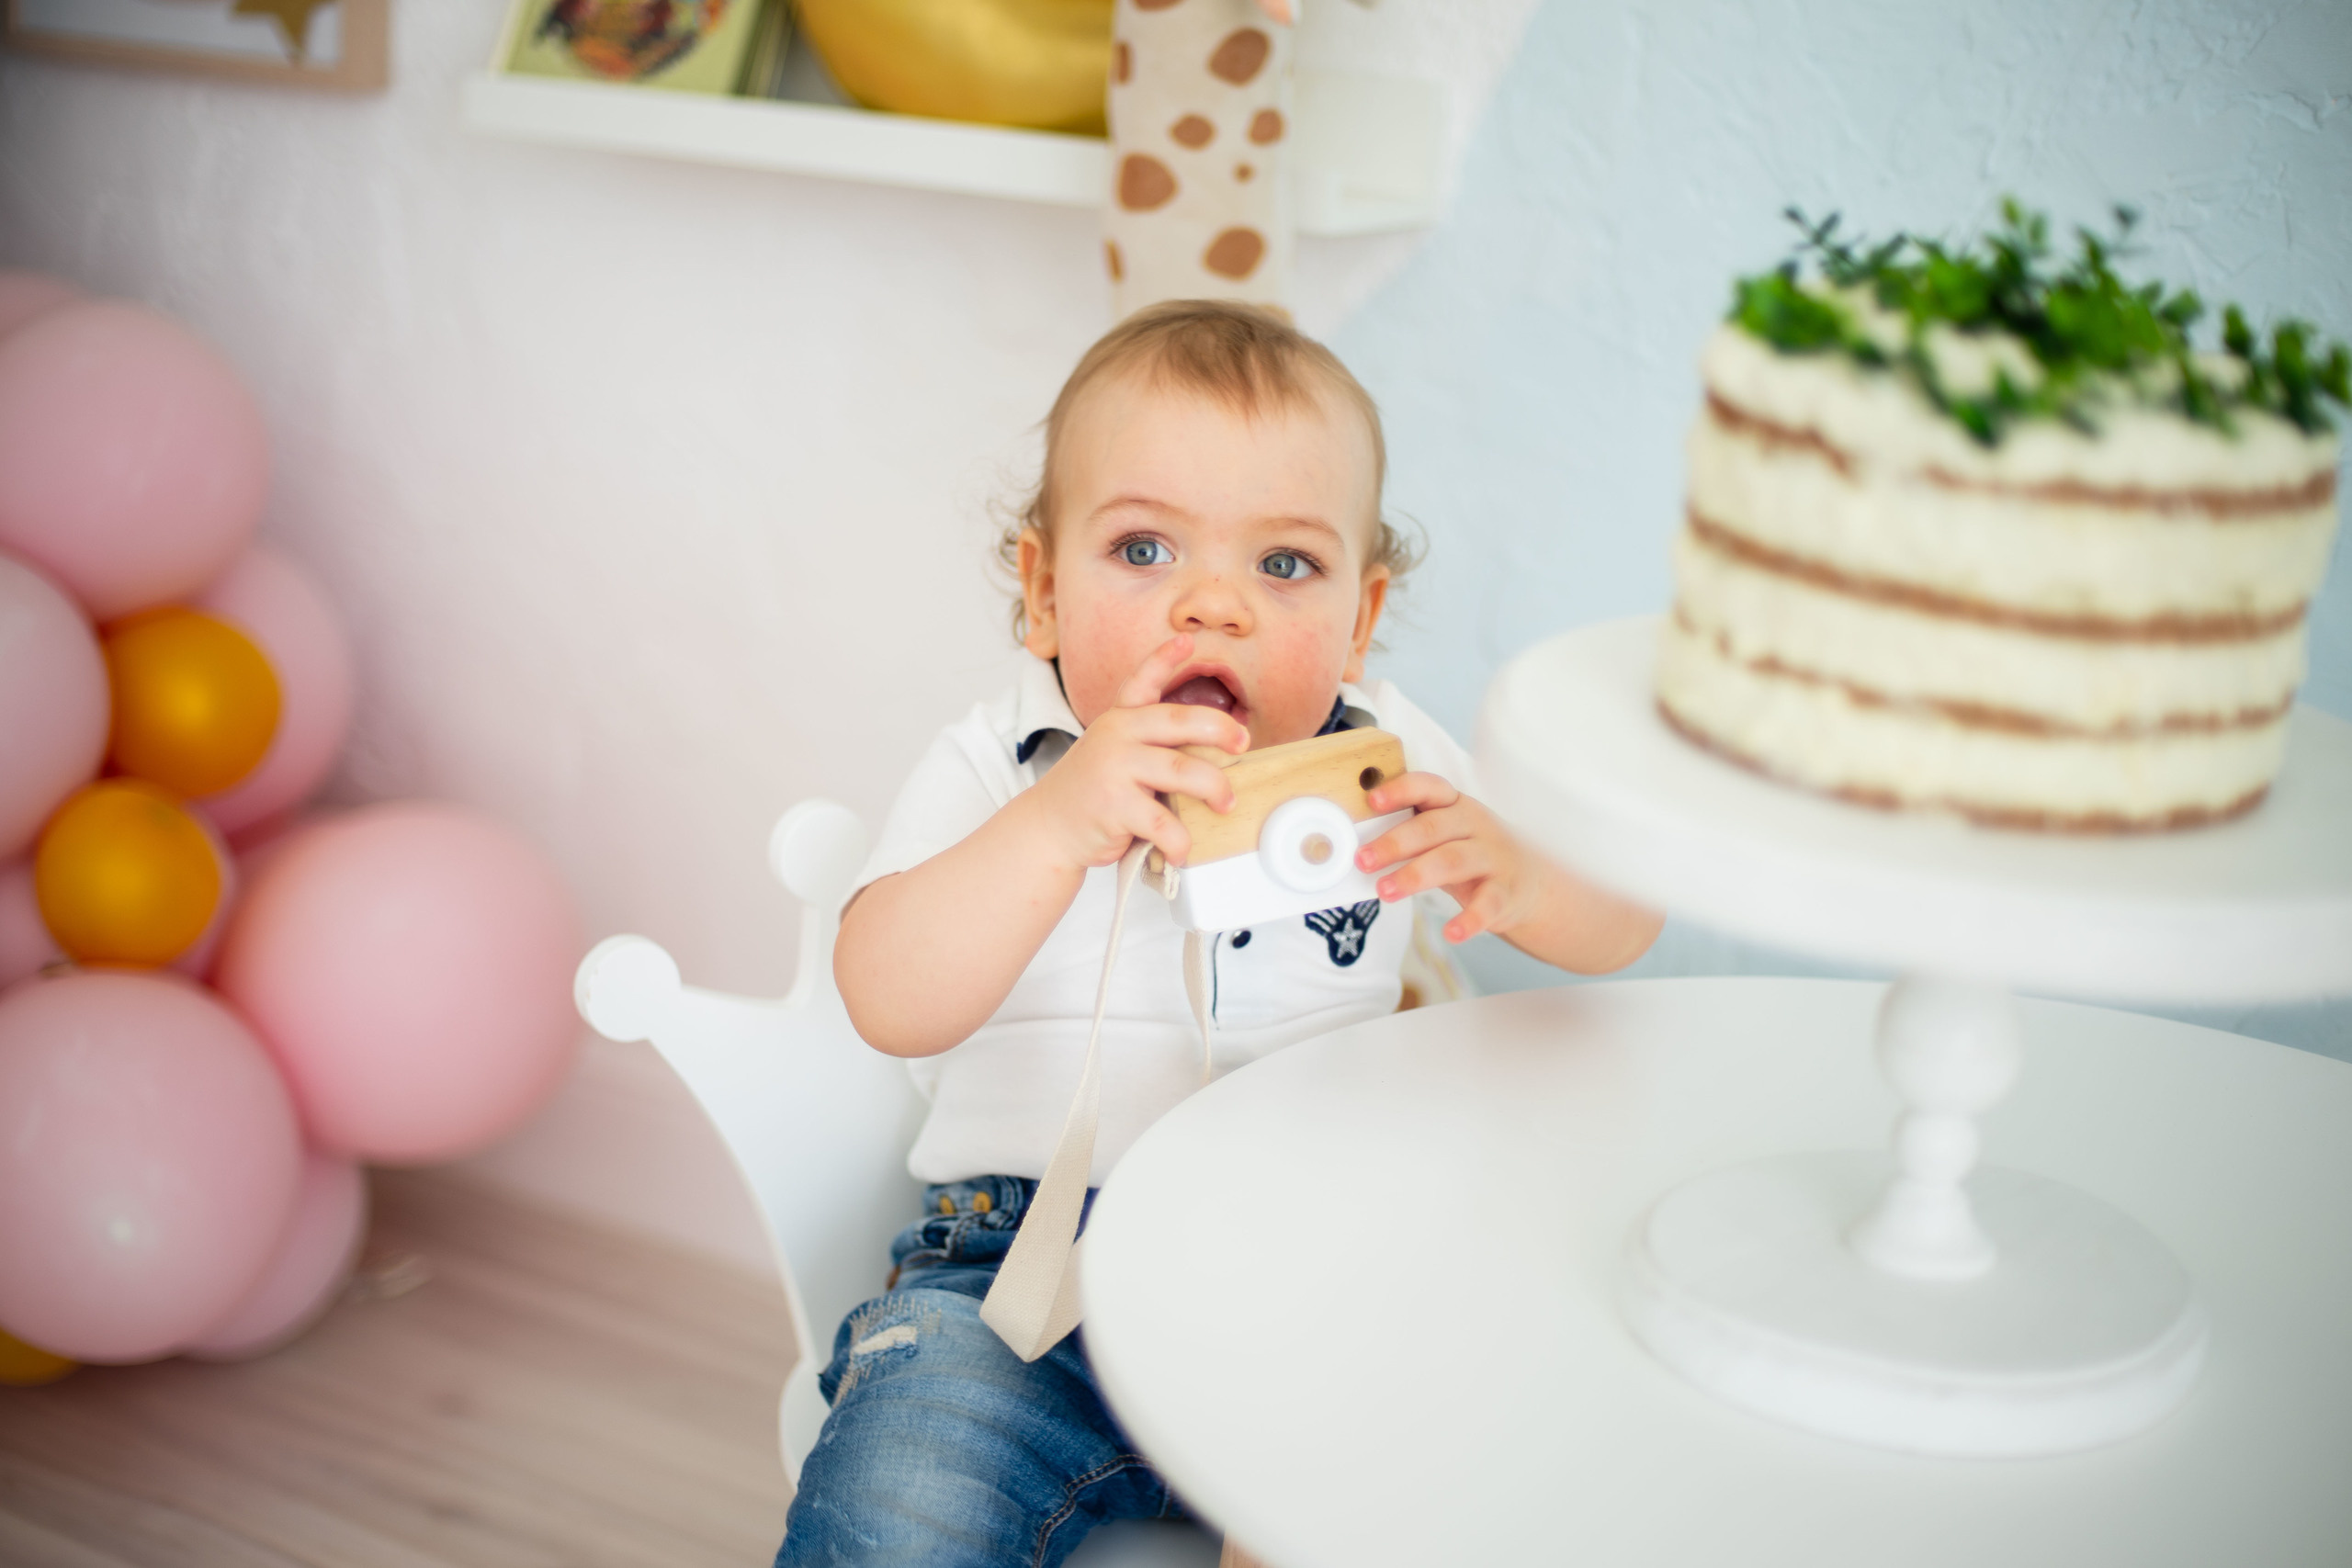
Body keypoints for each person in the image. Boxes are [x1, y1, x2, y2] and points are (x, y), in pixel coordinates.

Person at [779, 302, 1660, 1567]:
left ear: (1359, 620)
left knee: (1460, 1460)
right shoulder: (1000, 764)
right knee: (904, 1502)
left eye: (1283, 567)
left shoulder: (1383, 760)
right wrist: (1055, 824)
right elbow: (886, 997)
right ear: (1040, 592)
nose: (1212, 607)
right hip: (1024, 1272)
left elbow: (1622, 925)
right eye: (1144, 550)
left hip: (1317, 1265)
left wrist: (1518, 872)